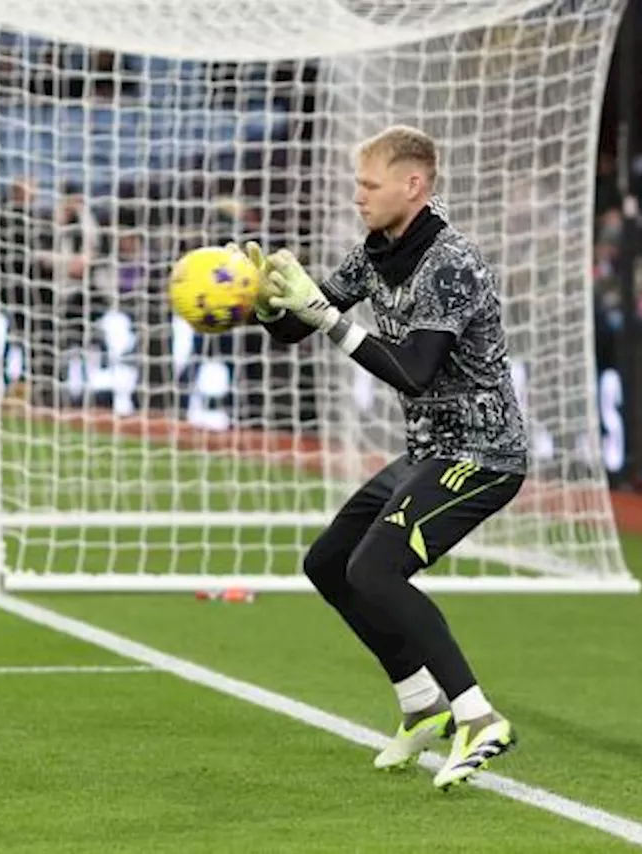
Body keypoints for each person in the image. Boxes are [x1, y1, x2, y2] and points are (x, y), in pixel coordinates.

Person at [245, 125, 528, 790]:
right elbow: (301, 321)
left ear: (413, 185)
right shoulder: (378, 252)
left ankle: (478, 715)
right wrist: (264, 305)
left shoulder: (451, 262)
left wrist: (329, 320)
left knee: (376, 568)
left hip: (481, 454)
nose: (357, 197)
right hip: (427, 451)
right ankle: (420, 703)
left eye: (369, 185)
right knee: (328, 565)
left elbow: (415, 372)